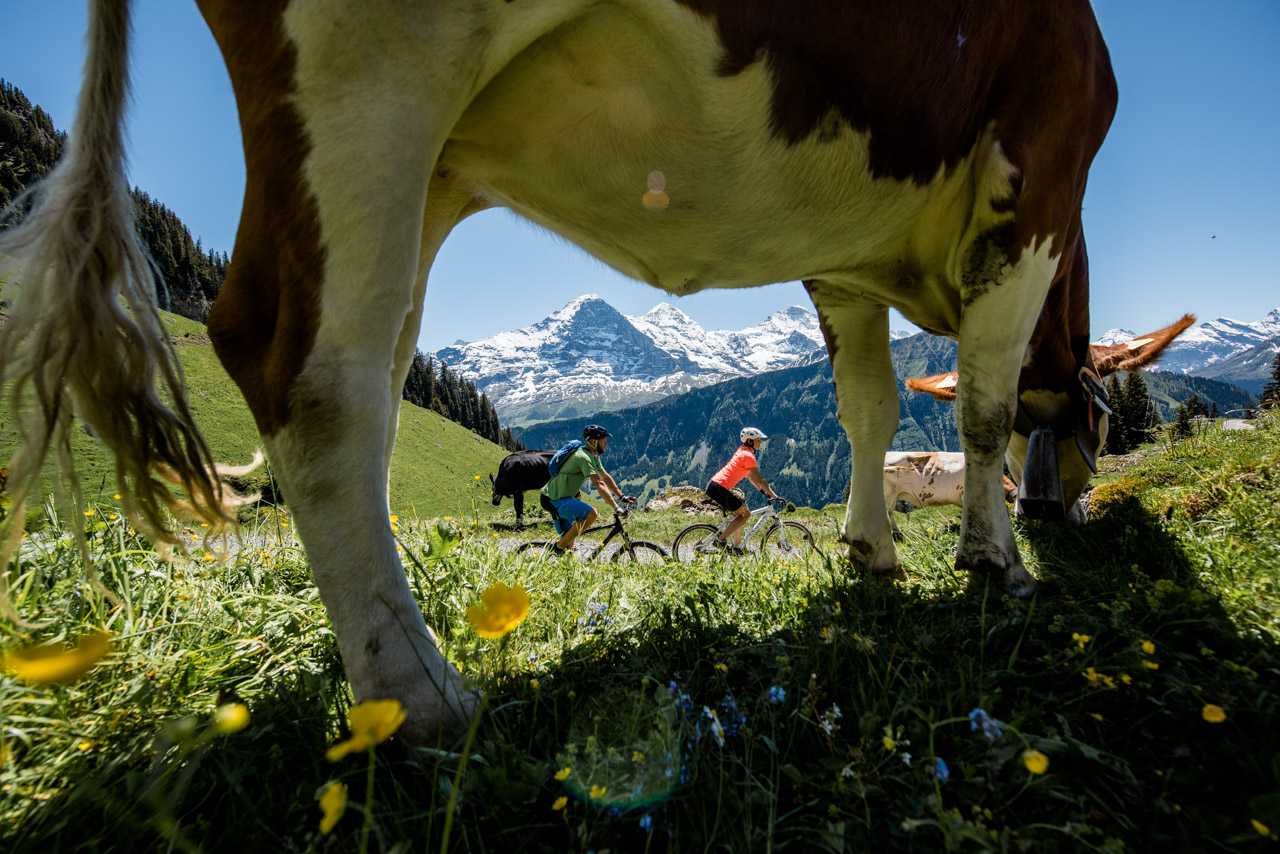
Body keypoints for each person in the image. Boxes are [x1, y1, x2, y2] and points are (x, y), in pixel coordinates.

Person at [539, 424, 629, 555]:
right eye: (604, 441)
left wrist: (621, 497)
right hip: (554, 500)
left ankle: (562, 557)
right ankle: (558, 547)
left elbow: (605, 476)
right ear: (594, 441)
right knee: (591, 514)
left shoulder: (592, 456)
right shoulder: (583, 458)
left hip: (562, 498)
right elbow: (599, 483)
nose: (606, 444)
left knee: (569, 544)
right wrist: (616, 508)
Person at [701, 427, 783, 553]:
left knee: (739, 513)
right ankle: (720, 540)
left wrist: (760, 490)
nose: (760, 442)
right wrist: (775, 496)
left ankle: (737, 547)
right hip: (718, 488)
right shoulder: (748, 456)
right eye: (758, 440)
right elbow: (761, 479)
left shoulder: (742, 451)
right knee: (745, 514)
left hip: (715, 486)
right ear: (750, 441)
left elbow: (749, 474)